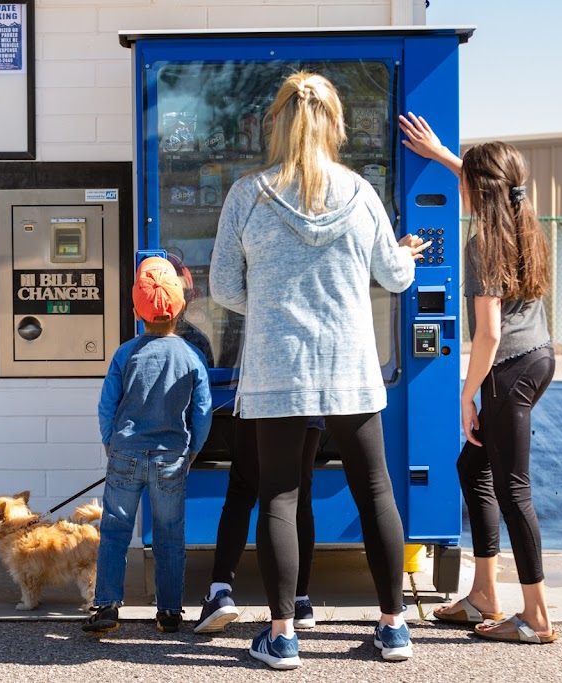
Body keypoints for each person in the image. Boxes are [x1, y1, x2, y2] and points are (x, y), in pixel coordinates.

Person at [209, 72, 431, 670]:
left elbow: (225, 288)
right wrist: (404, 254)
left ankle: (282, 637)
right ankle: (393, 628)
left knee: (279, 494)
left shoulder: (246, 195)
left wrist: (280, 301)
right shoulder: (361, 194)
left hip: (277, 367)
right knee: (376, 490)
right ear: (336, 124)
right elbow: (397, 276)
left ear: (273, 123)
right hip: (351, 367)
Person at [399, 112, 558, 645]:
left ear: (478, 191)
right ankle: (484, 596)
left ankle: (536, 618)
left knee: (513, 491)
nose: (460, 190)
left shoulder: (483, 243)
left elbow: (487, 335)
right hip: (537, 357)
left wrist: (468, 396)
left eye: (465, 181)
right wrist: (443, 153)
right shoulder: (522, 220)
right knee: (474, 467)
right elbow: (487, 181)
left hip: (507, 368)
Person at [83, 256, 213, 636]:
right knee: (170, 534)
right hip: (172, 456)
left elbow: (107, 404)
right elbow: (202, 412)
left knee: (115, 530)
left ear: (137, 309)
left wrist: (110, 442)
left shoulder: (126, 353)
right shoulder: (192, 356)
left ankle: (106, 606)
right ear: (181, 305)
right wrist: (193, 451)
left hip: (125, 452)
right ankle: (170, 611)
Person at [193, 416, 324, 634]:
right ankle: (300, 602)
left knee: (241, 490)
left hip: (261, 403)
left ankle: (220, 593)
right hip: (310, 406)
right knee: (299, 496)